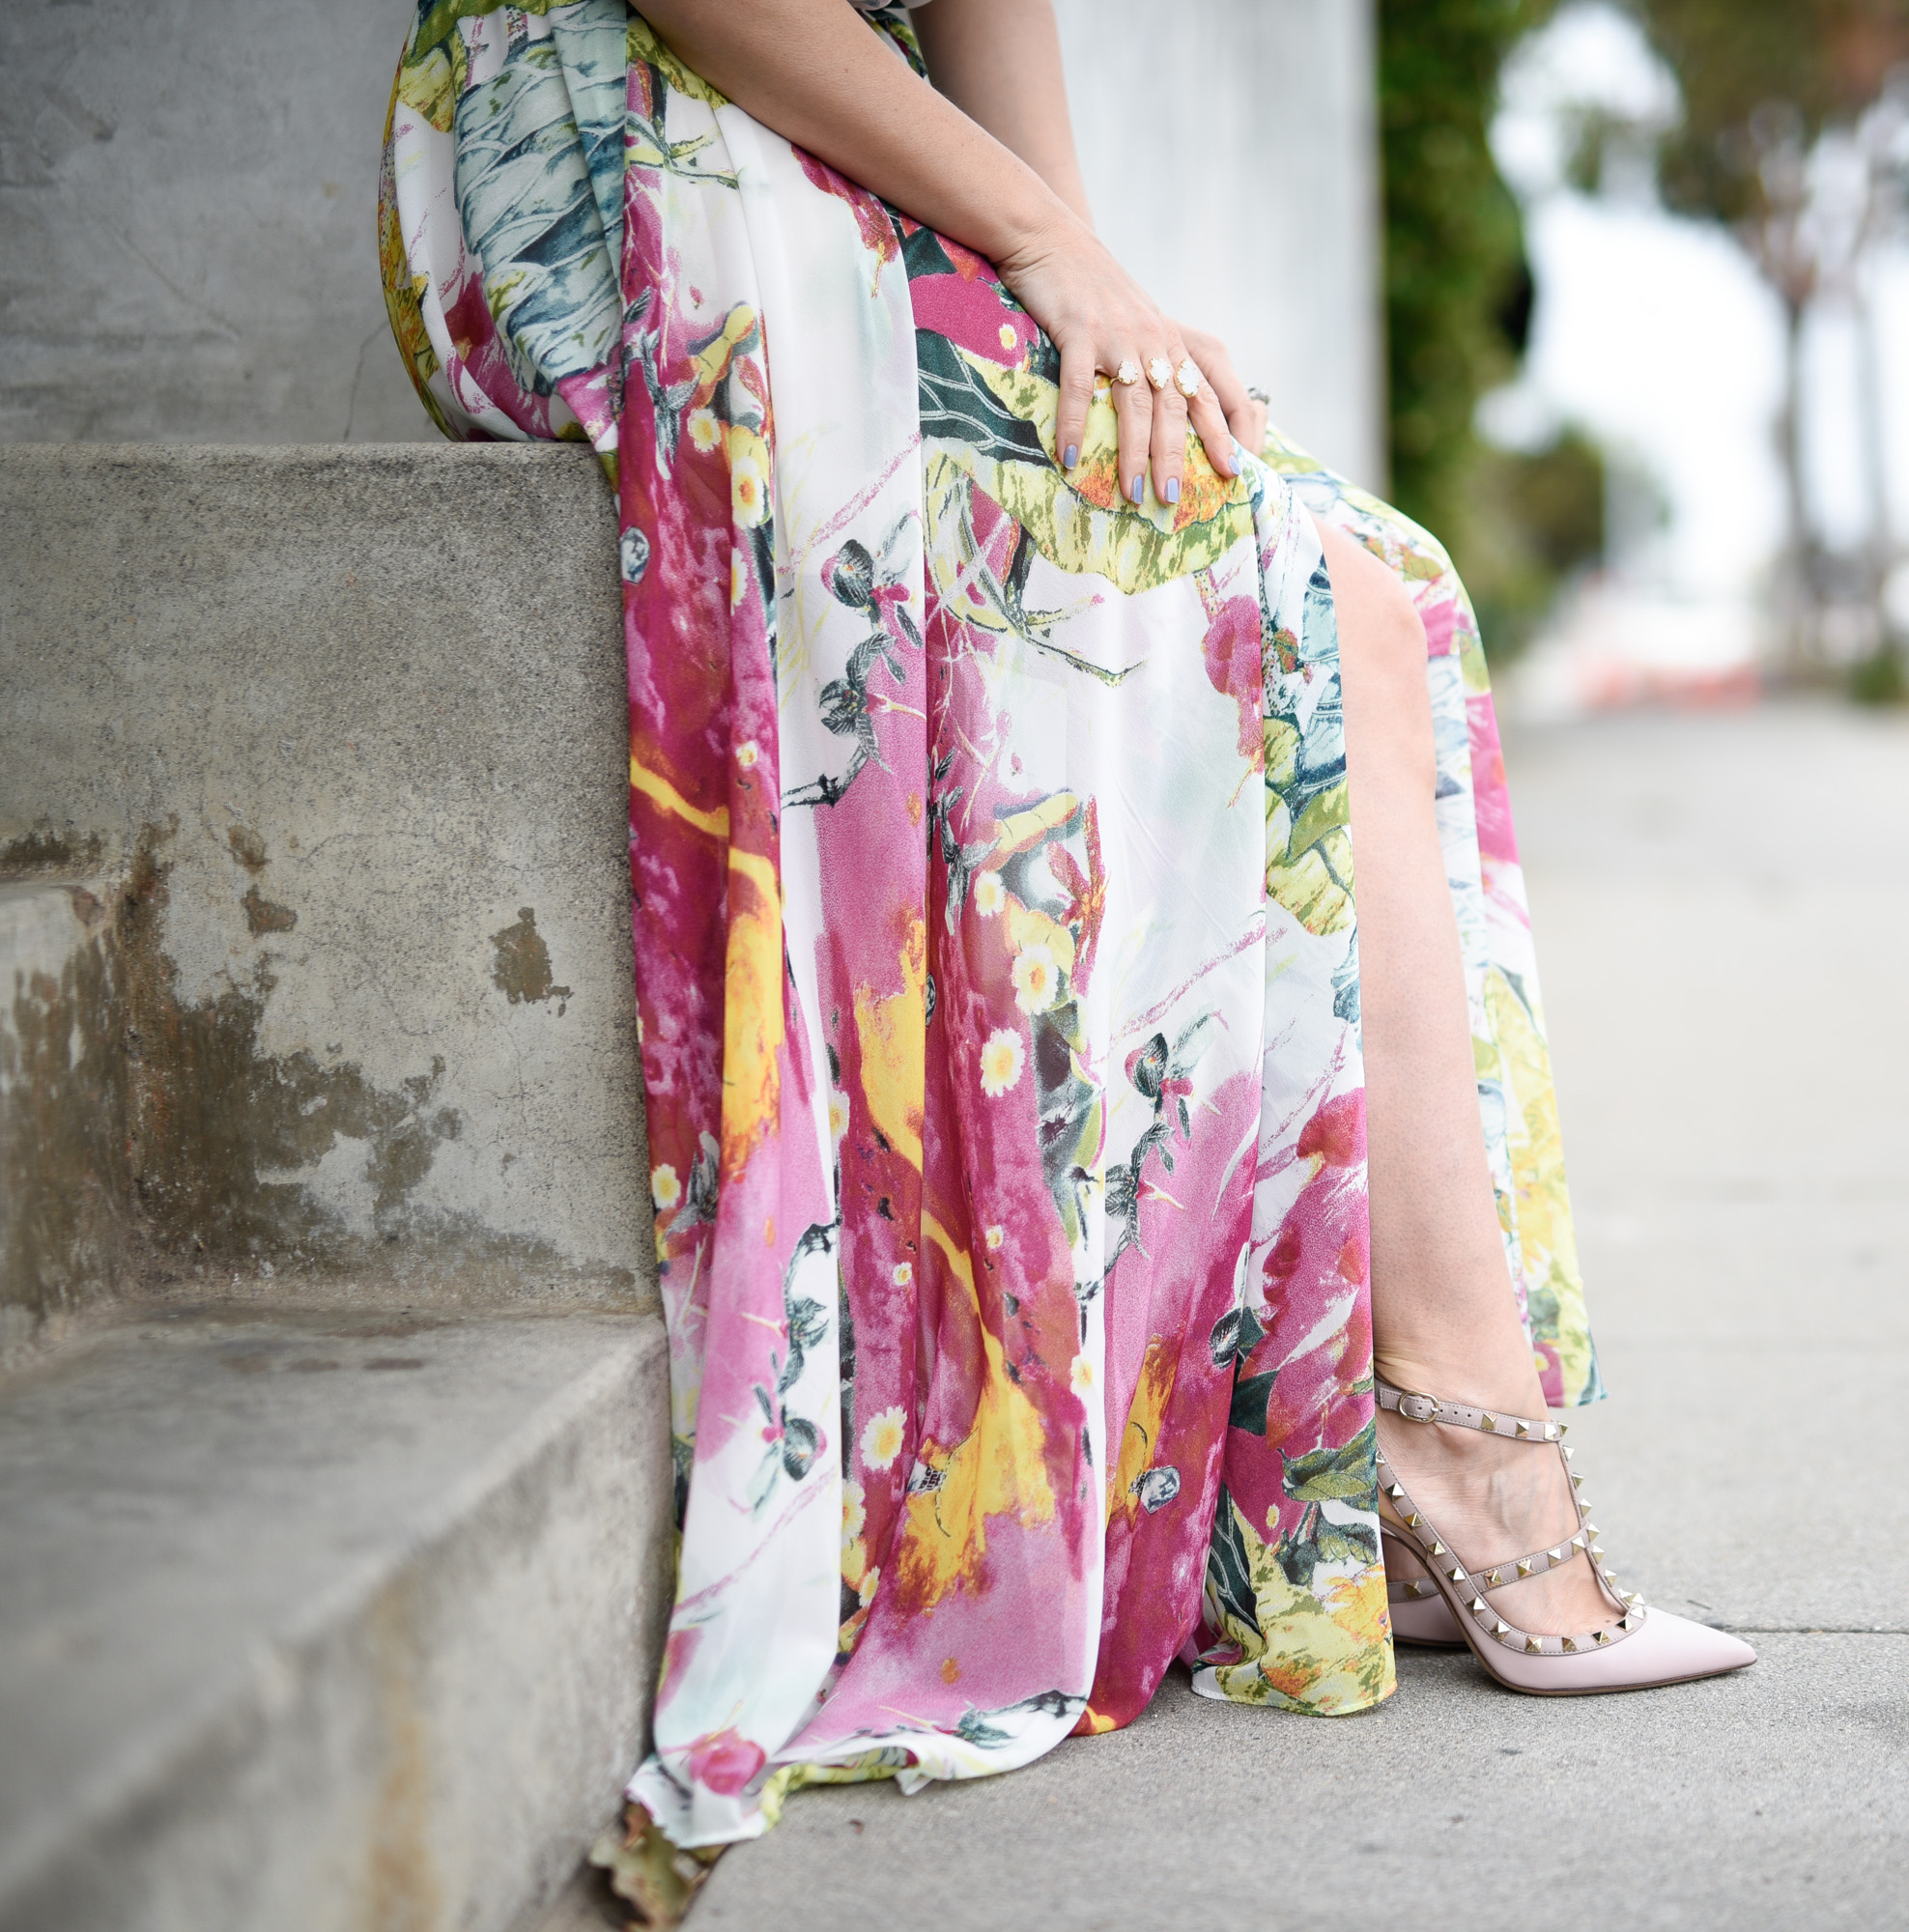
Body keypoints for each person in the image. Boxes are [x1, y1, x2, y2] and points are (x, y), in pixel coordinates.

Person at [379, 0, 1753, 1849]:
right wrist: (1032, 246)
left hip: (890, 163)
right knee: (1300, 600)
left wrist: (1084, 293)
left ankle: (1363, 1442)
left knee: (1374, 583)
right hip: (635, 139)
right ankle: (1457, 1456)